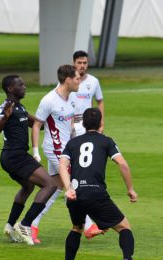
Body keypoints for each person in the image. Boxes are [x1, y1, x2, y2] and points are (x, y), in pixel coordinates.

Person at [58, 107, 148, 260]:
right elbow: (122, 164)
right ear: (100, 123)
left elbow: (62, 165)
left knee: (77, 227)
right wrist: (130, 189)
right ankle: (128, 258)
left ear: (83, 124)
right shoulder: (106, 141)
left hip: (75, 194)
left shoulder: (72, 143)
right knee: (124, 227)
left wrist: (68, 188)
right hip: (96, 194)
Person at [0, 75, 56, 246]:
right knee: (50, 185)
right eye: (20, 84)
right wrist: (5, 117)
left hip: (13, 156)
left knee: (28, 186)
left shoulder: (20, 108)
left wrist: (55, 116)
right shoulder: (6, 107)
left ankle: (10, 225)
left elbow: (38, 125)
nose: (25, 86)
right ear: (10, 89)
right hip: (15, 156)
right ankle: (25, 224)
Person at [30, 65, 79, 244]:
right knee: (74, 181)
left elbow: (71, 121)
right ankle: (88, 225)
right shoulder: (49, 100)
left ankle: (31, 224)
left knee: (55, 187)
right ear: (67, 79)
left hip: (66, 148)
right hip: (54, 148)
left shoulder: (72, 98)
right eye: (77, 78)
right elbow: (37, 125)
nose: (79, 81)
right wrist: (35, 152)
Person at [69, 50, 106, 239]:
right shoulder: (68, 81)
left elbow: (100, 101)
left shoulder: (94, 82)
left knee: (81, 176)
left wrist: (101, 123)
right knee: (70, 180)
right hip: (71, 126)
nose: (82, 66)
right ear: (74, 63)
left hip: (88, 126)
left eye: (85, 63)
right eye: (79, 62)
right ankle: (31, 223)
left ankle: (90, 225)